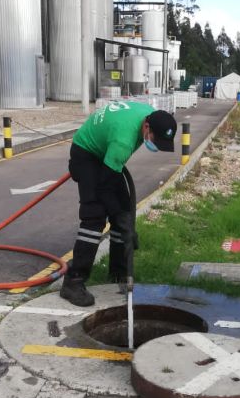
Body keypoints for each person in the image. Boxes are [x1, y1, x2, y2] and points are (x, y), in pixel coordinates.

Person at [60, 101, 177, 307]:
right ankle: (73, 282)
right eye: (155, 140)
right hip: (86, 153)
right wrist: (122, 221)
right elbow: (104, 188)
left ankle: (118, 272)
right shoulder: (123, 141)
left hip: (106, 152)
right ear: (146, 127)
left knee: (123, 209)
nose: (156, 145)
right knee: (94, 215)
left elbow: (112, 181)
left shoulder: (150, 115)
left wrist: (123, 218)